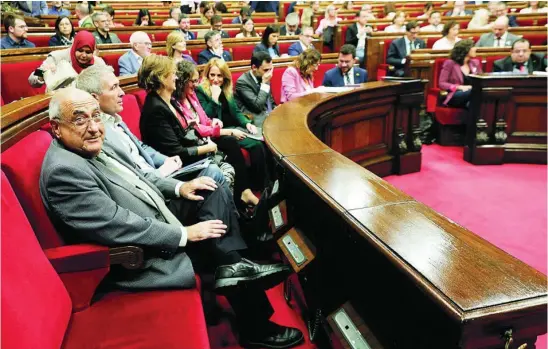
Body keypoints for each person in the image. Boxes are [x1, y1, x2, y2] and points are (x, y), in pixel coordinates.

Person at [41, 87, 304, 349]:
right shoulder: (64, 171)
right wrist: (184, 234)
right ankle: (253, 318)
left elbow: (140, 175)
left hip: (158, 211)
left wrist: (180, 188)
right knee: (219, 250)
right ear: (56, 128)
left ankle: (236, 261)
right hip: (141, 253)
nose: (94, 126)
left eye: (96, 115)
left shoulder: (91, 143)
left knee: (208, 190)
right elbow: (117, 223)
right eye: (79, 118)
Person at [195, 59, 272, 204]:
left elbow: (236, 112)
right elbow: (205, 117)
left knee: (261, 144)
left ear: (225, 77)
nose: (216, 79)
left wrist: (247, 123)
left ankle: (261, 187)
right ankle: (250, 190)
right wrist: (214, 98)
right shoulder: (201, 90)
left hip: (234, 128)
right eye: (212, 75)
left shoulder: (226, 88)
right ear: (207, 75)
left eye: (219, 76)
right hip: (216, 132)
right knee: (255, 146)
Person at [28, 31, 105, 88]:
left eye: (88, 52)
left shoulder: (98, 62)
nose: (84, 55)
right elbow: (32, 79)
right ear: (75, 47)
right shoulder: (57, 56)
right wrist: (42, 73)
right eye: (80, 51)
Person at [235, 51, 277, 127]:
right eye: (266, 70)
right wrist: (264, 84)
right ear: (254, 67)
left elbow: (270, 101)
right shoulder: (242, 82)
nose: (269, 73)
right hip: (255, 119)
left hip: (269, 115)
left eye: (271, 69)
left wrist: (276, 109)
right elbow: (257, 107)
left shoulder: (264, 76)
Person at [438, 39, 482, 108]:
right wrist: (459, 87)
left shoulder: (475, 63)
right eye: (473, 47)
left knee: (472, 102)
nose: (475, 49)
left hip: (472, 95)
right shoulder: (450, 63)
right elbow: (442, 83)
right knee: (474, 91)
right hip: (456, 94)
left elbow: (481, 80)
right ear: (465, 50)